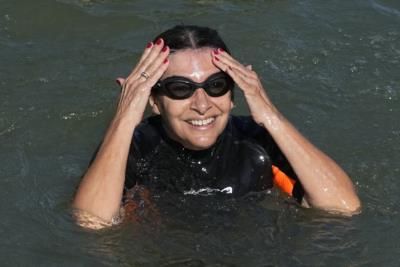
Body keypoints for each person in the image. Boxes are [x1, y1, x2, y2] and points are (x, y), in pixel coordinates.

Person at [72, 25, 360, 229]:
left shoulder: (256, 142)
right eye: (180, 88)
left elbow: (343, 208)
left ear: (233, 95)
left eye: (216, 85)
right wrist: (123, 120)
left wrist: (270, 115)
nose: (202, 103)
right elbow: (92, 222)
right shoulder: (134, 146)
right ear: (155, 102)